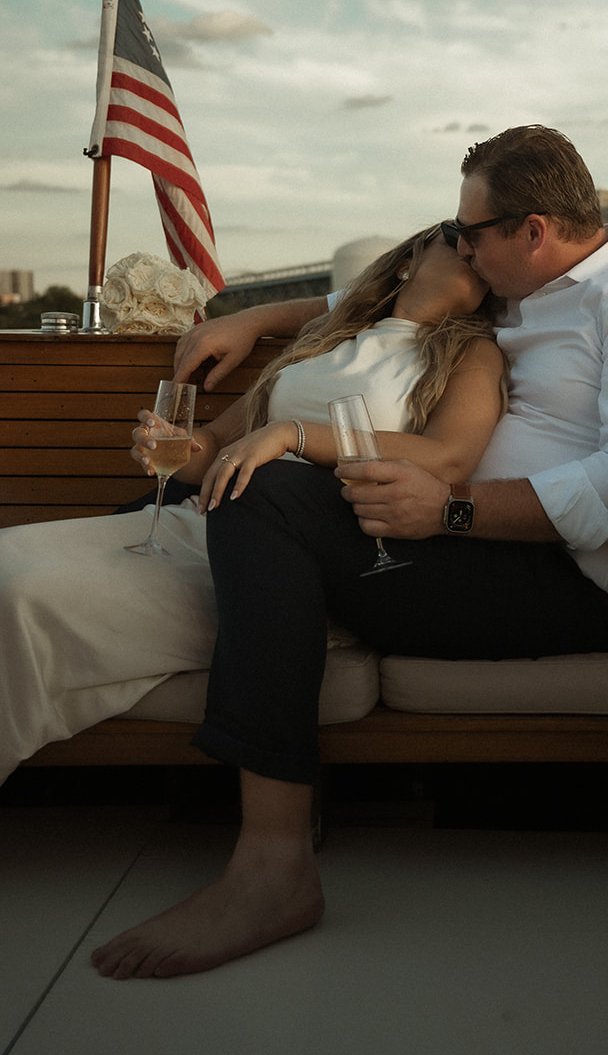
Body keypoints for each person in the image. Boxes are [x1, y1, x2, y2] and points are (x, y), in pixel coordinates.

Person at [89, 124, 608, 980]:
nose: (457, 245)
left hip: (552, 583)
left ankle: (272, 868)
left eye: (469, 232)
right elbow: (379, 301)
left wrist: (451, 511)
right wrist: (254, 318)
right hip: (443, 542)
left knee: (271, 490)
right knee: (245, 485)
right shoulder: (517, 291)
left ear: (531, 231)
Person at [0, 225, 506, 788]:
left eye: (477, 245)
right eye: (456, 239)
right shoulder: (324, 339)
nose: (471, 250)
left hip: (284, 561)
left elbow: (449, 458)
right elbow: (215, 445)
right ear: (409, 262)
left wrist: (293, 434)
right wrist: (172, 446)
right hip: (200, 514)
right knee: (4, 559)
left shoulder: (471, 352)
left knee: (23, 597)